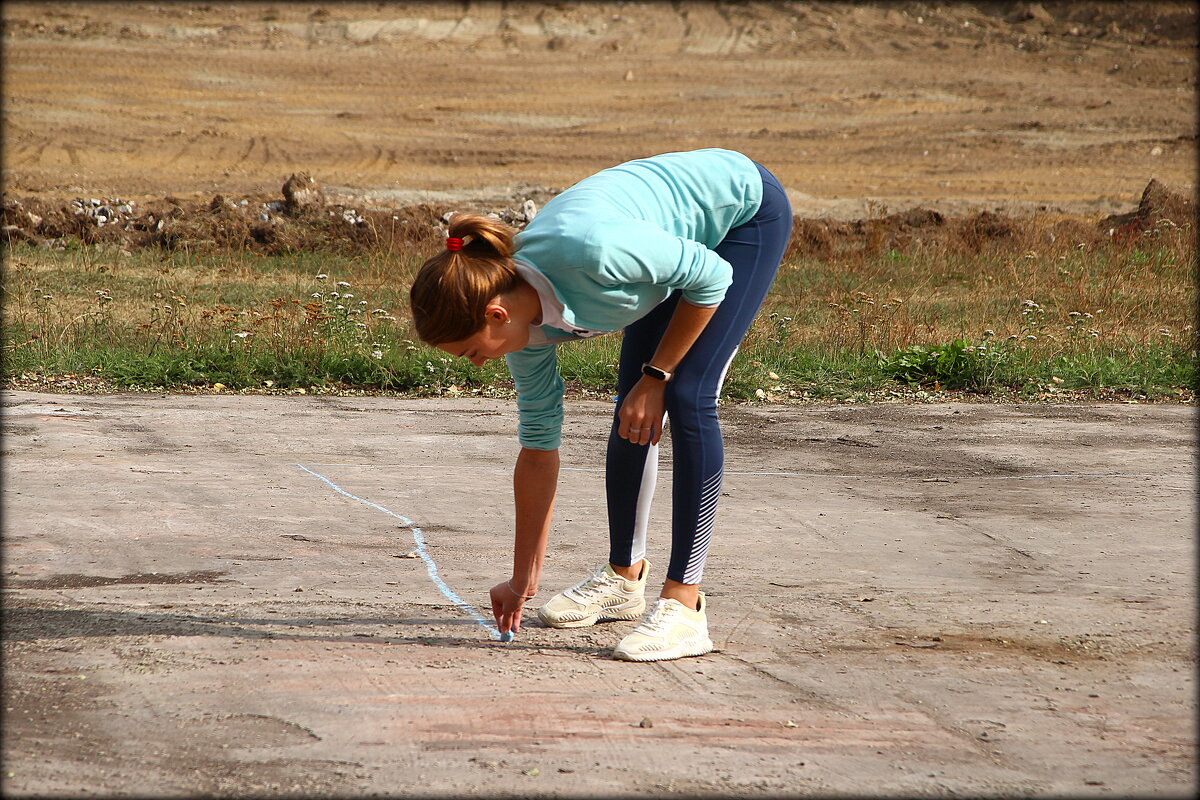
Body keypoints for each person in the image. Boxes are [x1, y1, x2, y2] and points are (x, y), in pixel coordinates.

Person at [409, 148, 791, 661]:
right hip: (668, 248)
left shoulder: (590, 253)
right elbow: (539, 448)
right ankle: (624, 576)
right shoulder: (526, 334)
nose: (476, 364)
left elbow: (710, 277)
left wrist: (656, 376)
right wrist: (523, 578)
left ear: (495, 313)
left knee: (683, 393)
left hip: (740, 213)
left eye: (471, 351)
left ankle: (685, 605)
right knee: (632, 407)